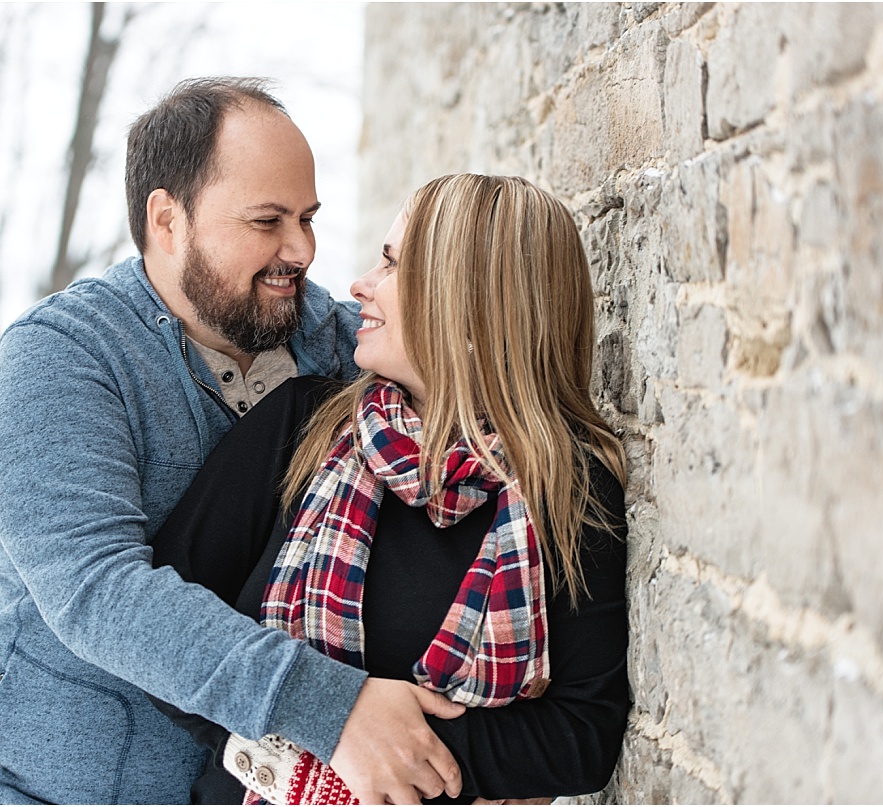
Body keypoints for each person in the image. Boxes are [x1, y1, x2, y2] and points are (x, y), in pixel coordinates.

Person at [0, 77, 467, 806]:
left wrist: (499, 763)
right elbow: (98, 590)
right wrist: (333, 706)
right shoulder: (63, 357)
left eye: (307, 217)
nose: (300, 249)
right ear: (166, 220)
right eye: (265, 221)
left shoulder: (348, 351)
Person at [149, 173, 631, 803]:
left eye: (392, 263)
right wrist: (328, 736)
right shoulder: (301, 429)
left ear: (467, 308)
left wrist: (389, 748)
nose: (360, 286)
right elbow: (165, 633)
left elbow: (581, 735)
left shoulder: (566, 485)